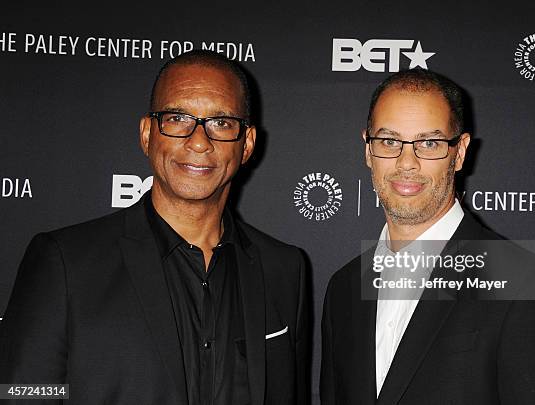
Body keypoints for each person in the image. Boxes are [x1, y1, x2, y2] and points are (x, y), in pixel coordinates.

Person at [1, 50, 310, 405]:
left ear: (247, 144)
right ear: (148, 134)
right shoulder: (65, 262)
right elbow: (22, 395)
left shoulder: (283, 269)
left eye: (221, 123)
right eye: (177, 118)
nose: (198, 141)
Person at [320, 69, 535, 404]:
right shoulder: (343, 289)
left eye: (429, 143)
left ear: (459, 152)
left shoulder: (529, 290)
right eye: (389, 141)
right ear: (367, 149)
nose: (407, 162)